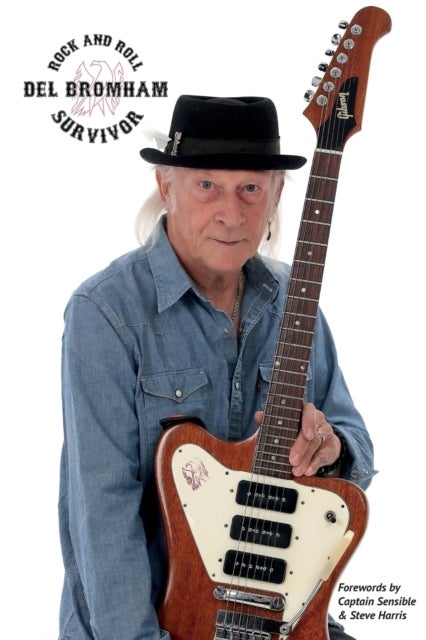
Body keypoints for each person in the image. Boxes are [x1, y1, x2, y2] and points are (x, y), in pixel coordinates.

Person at [58, 94, 376, 640]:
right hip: (155, 624)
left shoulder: (295, 302)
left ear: (277, 195)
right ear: (166, 187)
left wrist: (332, 449)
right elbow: (101, 516)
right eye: (208, 185)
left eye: (251, 188)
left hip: (281, 615)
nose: (232, 214)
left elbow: (356, 450)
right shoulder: (106, 313)